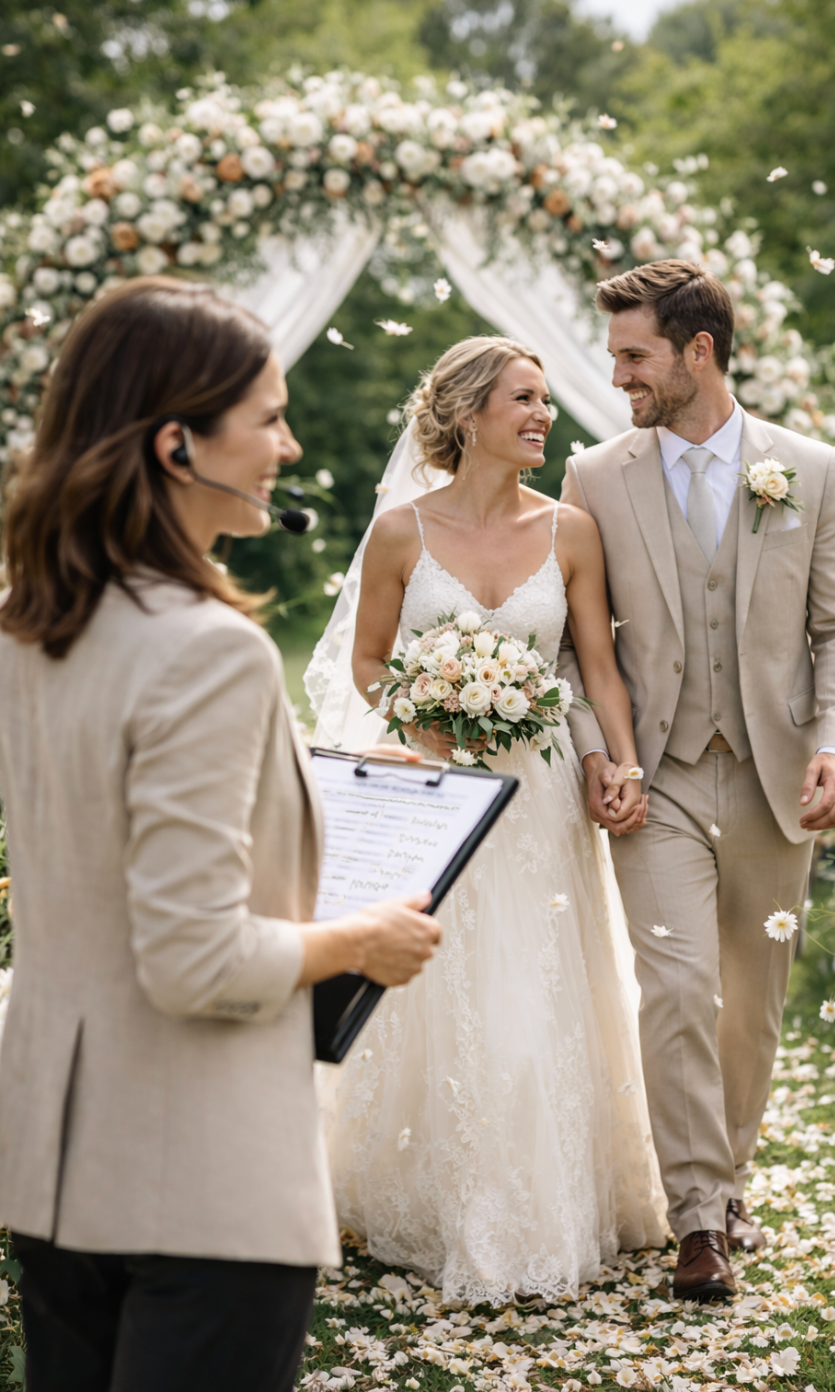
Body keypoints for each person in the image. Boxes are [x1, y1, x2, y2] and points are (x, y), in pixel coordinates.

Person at [0, 277, 440, 1392]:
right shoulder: (210, 651)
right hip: (194, 1179)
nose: (287, 448)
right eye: (269, 420)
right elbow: (195, 956)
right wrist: (359, 942)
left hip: (56, 1172)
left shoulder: (31, 622)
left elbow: (119, 833)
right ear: (175, 445)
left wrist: (316, 775)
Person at [318, 336, 666, 1307]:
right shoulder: (398, 532)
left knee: (534, 994)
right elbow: (368, 663)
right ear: (468, 412)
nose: (542, 417)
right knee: (443, 991)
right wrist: (421, 705)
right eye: (523, 399)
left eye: (545, 402)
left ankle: (535, 1208)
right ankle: (428, 1196)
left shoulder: (569, 533)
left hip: (540, 795)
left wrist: (620, 763)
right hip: (434, 793)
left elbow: (593, 669)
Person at [558, 260, 835, 1302]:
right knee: (679, 985)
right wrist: (597, 751)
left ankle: (727, 1180)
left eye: (633, 354)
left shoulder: (810, 468)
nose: (617, 376)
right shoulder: (594, 476)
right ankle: (696, 1217)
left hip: (778, 780)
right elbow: (575, 643)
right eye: (614, 357)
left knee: (750, 1003)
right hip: (656, 777)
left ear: (697, 352)